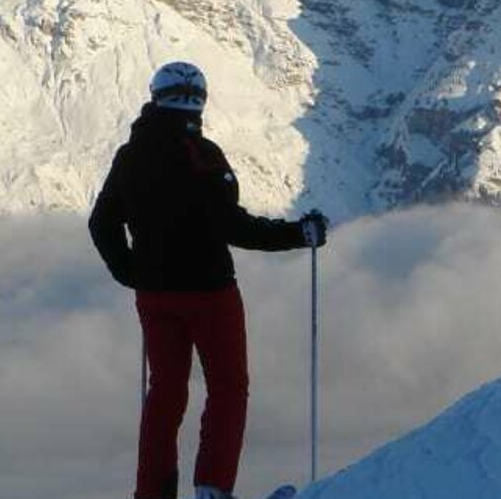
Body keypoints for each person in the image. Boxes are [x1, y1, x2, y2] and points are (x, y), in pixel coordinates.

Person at [89, 61, 328, 499]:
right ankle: (212, 488)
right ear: (199, 101)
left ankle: (152, 492)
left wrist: (131, 272)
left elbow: (101, 223)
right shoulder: (204, 156)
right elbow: (235, 228)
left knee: (165, 394)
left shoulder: (130, 157)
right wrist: (299, 234)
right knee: (228, 388)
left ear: (156, 97)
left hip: (155, 296)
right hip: (210, 292)